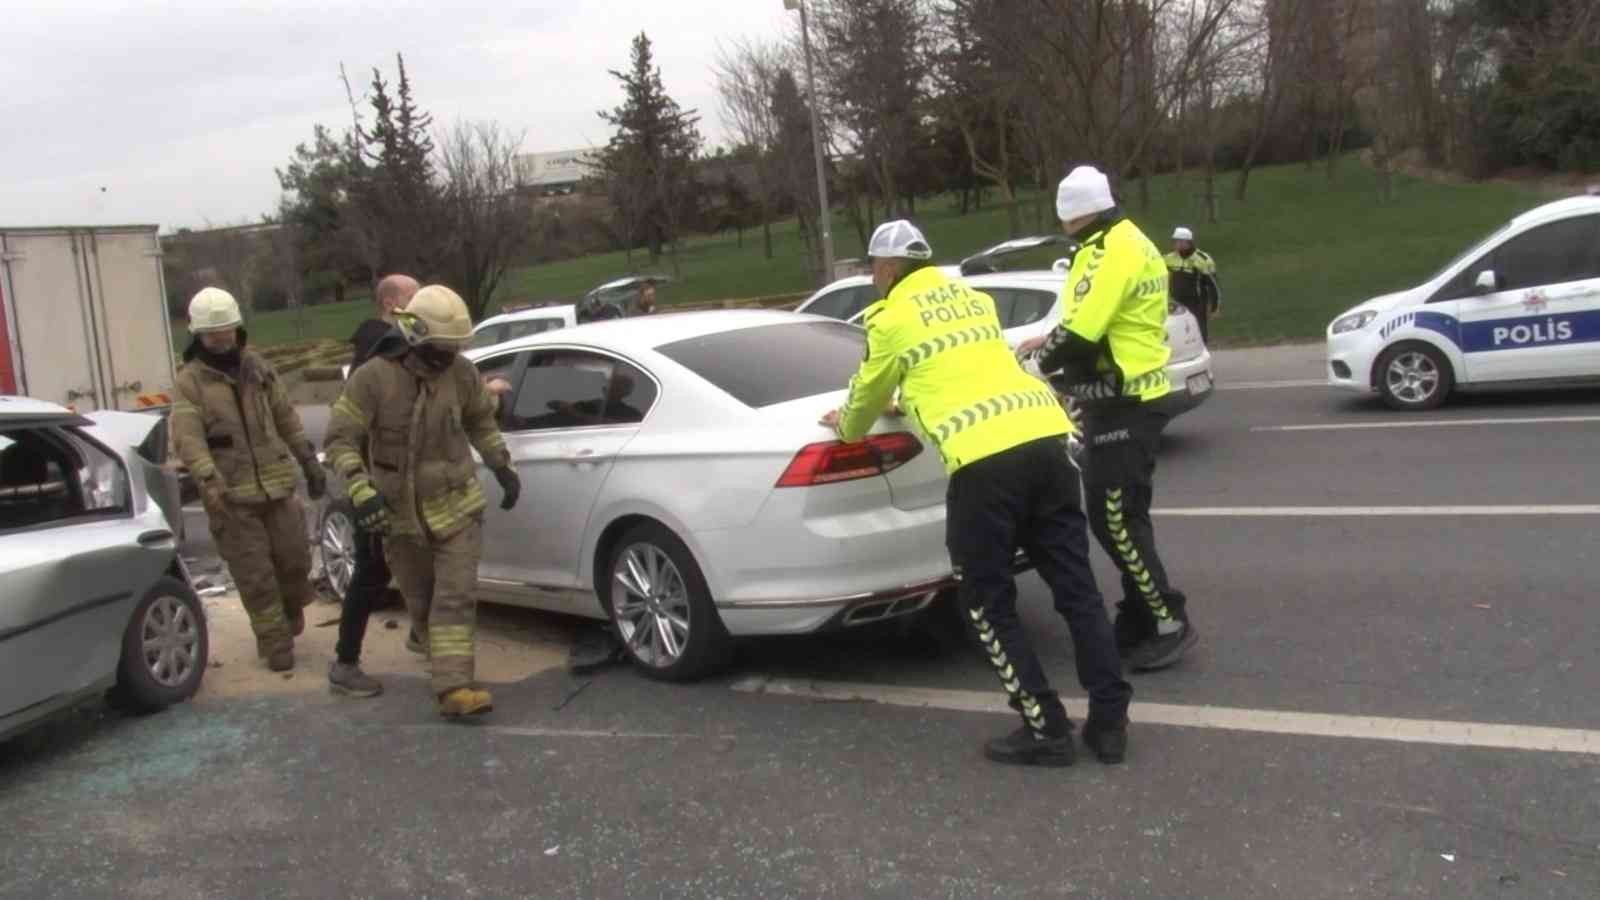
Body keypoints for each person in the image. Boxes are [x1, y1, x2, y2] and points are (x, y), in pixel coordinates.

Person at [822, 220, 1132, 767]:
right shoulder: (973, 301)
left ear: (889, 269)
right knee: (1076, 590)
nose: (873, 276)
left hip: (985, 464)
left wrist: (850, 421)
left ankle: (1046, 727)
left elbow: (863, 400)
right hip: (1046, 439)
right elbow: (962, 367)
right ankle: (1110, 724)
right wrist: (911, 394)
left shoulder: (890, 318)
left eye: (873, 267)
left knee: (986, 602)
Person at [1019, 166, 1199, 672]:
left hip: (1124, 400)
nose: (1065, 230)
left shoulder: (1111, 250)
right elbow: (1087, 317)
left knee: (1115, 519)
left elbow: (1083, 330)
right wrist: (1050, 336)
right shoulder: (1123, 240)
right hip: (1126, 395)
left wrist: (1039, 358)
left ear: (1075, 215)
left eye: (1065, 221)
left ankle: (1166, 619)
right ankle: (1142, 613)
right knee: (1124, 516)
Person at [323, 284, 522, 720]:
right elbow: (340, 440)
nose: (447, 358)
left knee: (455, 596)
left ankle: (453, 688)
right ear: (413, 335)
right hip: (400, 517)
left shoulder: (462, 373)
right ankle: (427, 638)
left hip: (458, 506)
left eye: (454, 349)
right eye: (440, 349)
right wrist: (361, 489)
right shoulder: (373, 378)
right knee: (423, 599)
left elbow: (479, 423)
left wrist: (501, 464)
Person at [170, 287, 325, 672]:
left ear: (236, 328)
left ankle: (289, 614)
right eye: (212, 334)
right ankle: (274, 643)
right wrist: (208, 477)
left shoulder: (258, 368)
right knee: (256, 575)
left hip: (277, 486)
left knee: (293, 561)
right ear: (198, 335)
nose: (220, 339)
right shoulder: (190, 381)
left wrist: (309, 461)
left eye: (225, 331)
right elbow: (187, 437)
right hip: (231, 495)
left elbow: (286, 417)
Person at [327, 274, 419, 699]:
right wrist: (364, 488)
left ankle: (423, 632)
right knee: (372, 572)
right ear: (390, 304)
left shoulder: (396, 348)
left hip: (394, 480)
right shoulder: (377, 359)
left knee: (416, 561)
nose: (423, 304)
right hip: (375, 484)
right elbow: (348, 432)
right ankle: (345, 665)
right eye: (414, 298)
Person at [1165, 227, 1221, 342]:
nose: (1176, 244)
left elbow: (1213, 286)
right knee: (1178, 330)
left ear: (1188, 242)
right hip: (1176, 302)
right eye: (1175, 241)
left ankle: (1202, 352)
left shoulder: (1203, 259)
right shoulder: (1168, 259)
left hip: (1197, 302)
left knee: (1199, 329)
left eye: (1179, 241)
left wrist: (1215, 307)